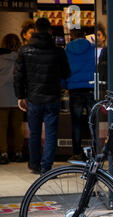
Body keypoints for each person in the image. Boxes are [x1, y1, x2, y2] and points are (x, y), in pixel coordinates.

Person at [14, 18, 71, 175]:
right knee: (51, 133)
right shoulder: (58, 51)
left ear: (35, 30)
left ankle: (34, 164)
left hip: (33, 98)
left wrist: (20, 96)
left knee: (35, 132)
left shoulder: (25, 51)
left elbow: (18, 76)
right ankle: (46, 167)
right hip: (52, 97)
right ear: (50, 30)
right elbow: (67, 73)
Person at [63, 27, 95, 161]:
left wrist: (65, 86)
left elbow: (64, 69)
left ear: (71, 36)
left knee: (76, 123)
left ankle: (76, 152)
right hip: (90, 87)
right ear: (85, 35)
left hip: (74, 89)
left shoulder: (67, 50)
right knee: (92, 121)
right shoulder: (92, 48)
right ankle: (94, 152)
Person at [0, 34, 25, 164]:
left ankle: (3, 153)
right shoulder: (21, 59)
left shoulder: (0, 59)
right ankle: (18, 152)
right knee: (17, 126)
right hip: (17, 97)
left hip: (1, 97)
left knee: (2, 127)